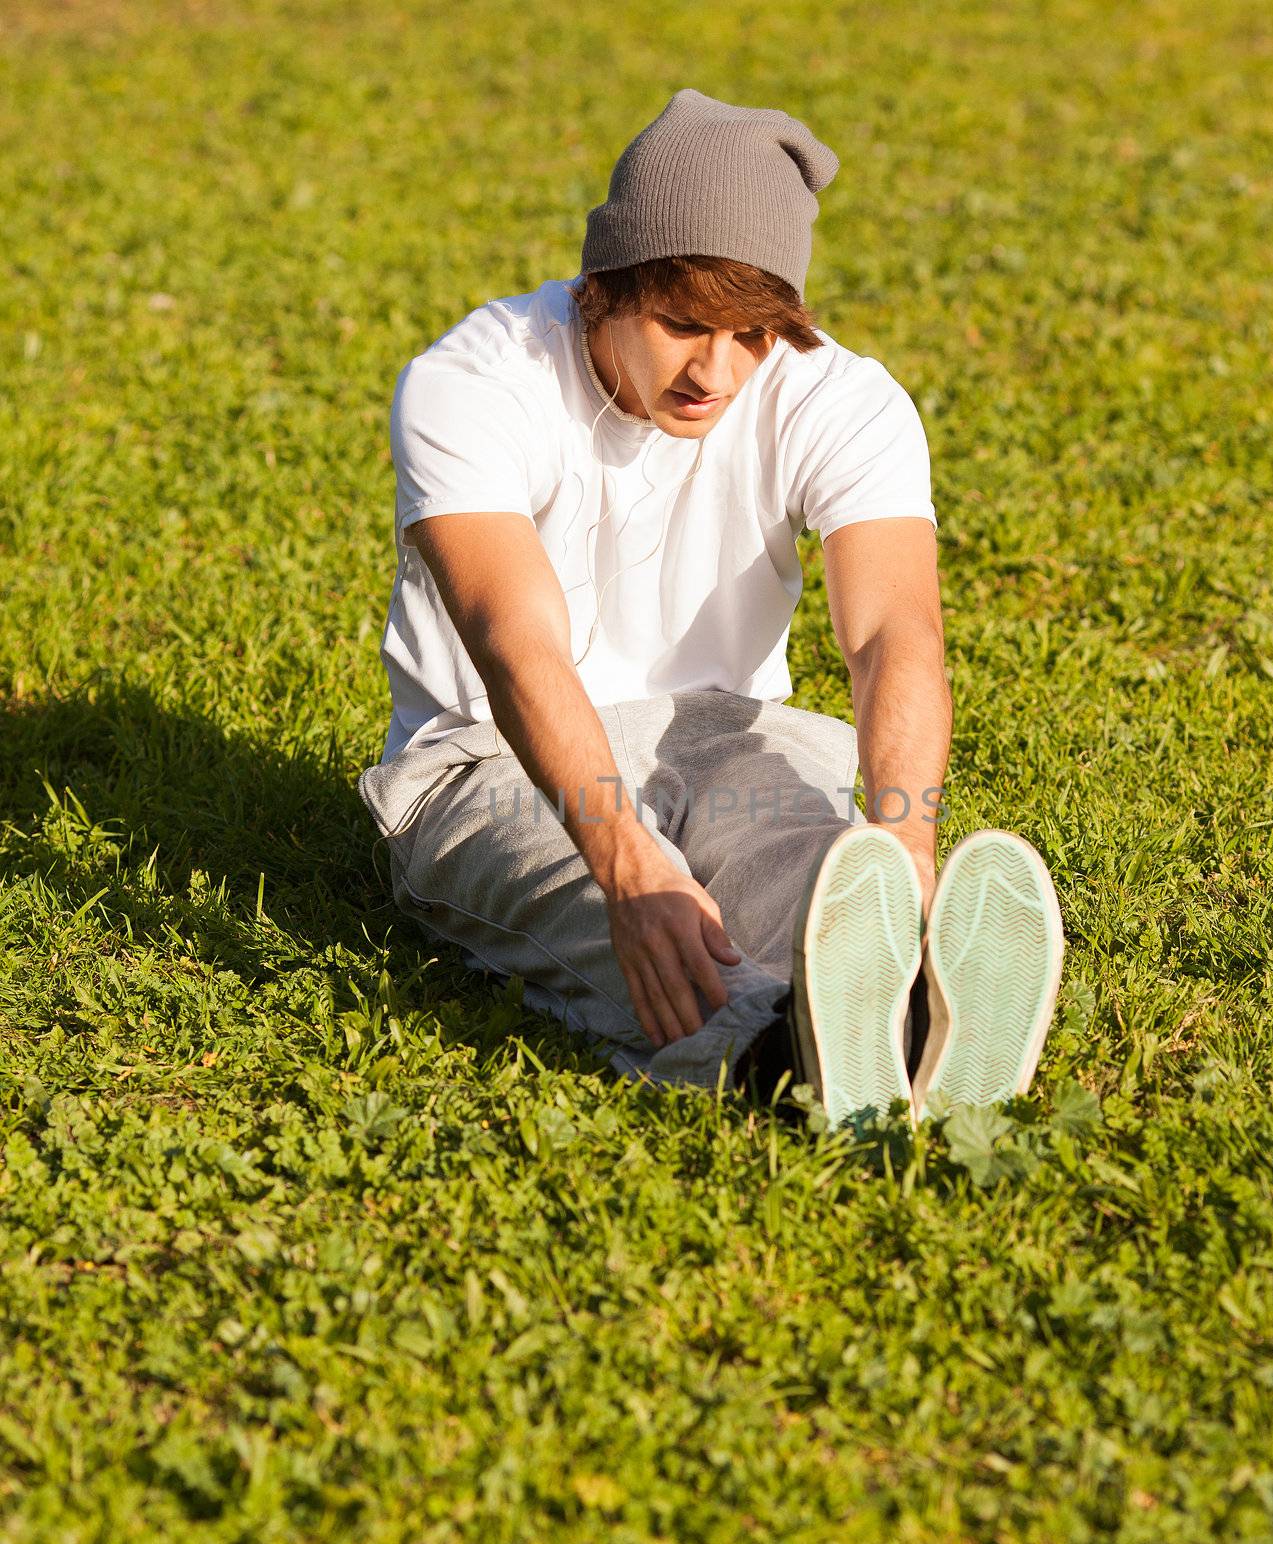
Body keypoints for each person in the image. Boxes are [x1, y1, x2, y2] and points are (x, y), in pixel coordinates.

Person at [358, 87, 1064, 1128]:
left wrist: (905, 842)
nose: (715, 371)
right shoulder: (475, 381)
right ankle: (790, 1058)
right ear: (601, 288)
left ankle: (903, 995)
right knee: (632, 922)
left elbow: (890, 635)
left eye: (752, 335)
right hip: (489, 759)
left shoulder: (840, 397)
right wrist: (628, 858)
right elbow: (517, 643)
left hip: (731, 737)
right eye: (683, 324)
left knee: (825, 879)